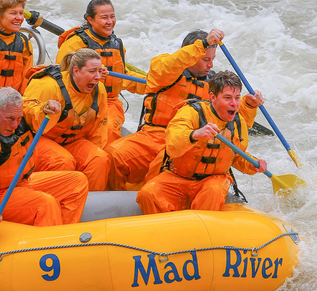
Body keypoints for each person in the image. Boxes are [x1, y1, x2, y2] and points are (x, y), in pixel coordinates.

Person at [105, 28, 262, 191]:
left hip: (190, 143)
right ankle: (115, 199)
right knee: (112, 154)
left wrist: (248, 106)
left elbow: (233, 125)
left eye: (212, 59)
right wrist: (203, 44)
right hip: (155, 136)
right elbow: (168, 66)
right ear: (192, 55)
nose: (211, 65)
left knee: (162, 164)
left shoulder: (216, 85)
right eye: (205, 59)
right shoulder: (166, 71)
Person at [0, 87, 89, 231]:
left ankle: (63, 236)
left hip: (19, 183)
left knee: (78, 181)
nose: (15, 125)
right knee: (45, 204)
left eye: (18, 119)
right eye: (10, 119)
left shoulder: (20, 111)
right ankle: (49, 248)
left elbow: (36, 113)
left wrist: (47, 109)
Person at [136, 71, 268, 214]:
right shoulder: (191, 112)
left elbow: (236, 157)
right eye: (227, 98)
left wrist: (253, 164)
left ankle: (199, 230)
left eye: (237, 98)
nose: (234, 104)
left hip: (212, 180)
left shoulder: (239, 122)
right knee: (148, 193)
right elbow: (173, 146)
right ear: (213, 97)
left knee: (214, 191)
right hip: (178, 177)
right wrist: (195, 134)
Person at [57, 0, 146, 143]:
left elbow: (123, 76)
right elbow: (62, 76)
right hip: (80, 101)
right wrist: (92, 76)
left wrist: (154, 85)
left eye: (112, 16)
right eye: (104, 17)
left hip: (110, 102)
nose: (110, 22)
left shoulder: (117, 44)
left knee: (109, 128)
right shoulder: (75, 43)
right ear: (90, 19)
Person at [22, 48, 111, 191]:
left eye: (99, 71)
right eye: (92, 71)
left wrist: (96, 148)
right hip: (38, 139)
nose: (98, 77)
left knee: (99, 159)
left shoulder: (99, 89)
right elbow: (24, 113)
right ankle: (54, 204)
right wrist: (42, 110)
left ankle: (92, 207)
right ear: (75, 71)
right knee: (63, 161)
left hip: (72, 140)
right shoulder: (48, 85)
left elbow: (99, 128)